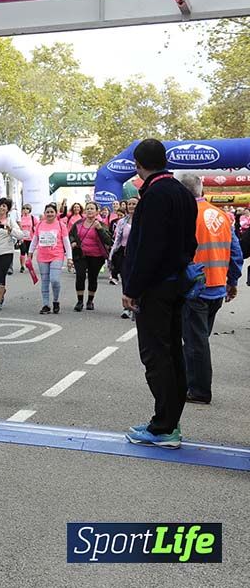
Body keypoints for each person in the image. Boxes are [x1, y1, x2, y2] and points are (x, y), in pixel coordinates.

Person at [122, 139, 198, 449]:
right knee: (173, 353)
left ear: (139, 166)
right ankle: (170, 420)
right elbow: (189, 243)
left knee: (156, 355)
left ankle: (163, 426)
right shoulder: (183, 193)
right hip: (177, 282)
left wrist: (132, 289)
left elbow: (146, 249)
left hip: (156, 287)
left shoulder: (154, 195)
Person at [178, 174, 243, 405]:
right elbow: (235, 251)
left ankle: (198, 390)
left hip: (195, 288)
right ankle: (190, 381)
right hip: (216, 286)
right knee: (199, 338)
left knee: (196, 343)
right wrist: (233, 281)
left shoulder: (185, 215)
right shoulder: (221, 215)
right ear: (201, 189)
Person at [68, 202, 113, 312]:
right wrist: (73, 242)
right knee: (80, 276)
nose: (89, 211)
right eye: (87, 208)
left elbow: (108, 240)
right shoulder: (79, 223)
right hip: (80, 254)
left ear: (97, 211)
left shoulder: (101, 224)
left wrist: (100, 229)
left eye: (92, 209)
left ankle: (90, 301)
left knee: (93, 278)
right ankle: (79, 301)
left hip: (96, 256)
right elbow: (71, 234)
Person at [29, 203, 71, 314]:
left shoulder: (61, 225)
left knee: (55, 280)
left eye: (52, 212)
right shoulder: (40, 225)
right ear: (44, 213)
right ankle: (46, 304)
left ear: (56, 213)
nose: (49, 214)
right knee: (45, 281)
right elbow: (34, 240)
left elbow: (66, 242)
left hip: (57, 255)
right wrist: (30, 252)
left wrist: (69, 258)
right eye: (47, 212)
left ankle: (56, 301)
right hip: (42, 256)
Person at [109, 198, 139, 306]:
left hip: (138, 254)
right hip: (124, 254)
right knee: (125, 279)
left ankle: (136, 303)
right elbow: (117, 239)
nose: (131, 206)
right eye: (129, 204)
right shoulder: (122, 222)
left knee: (137, 279)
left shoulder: (144, 220)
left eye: (134, 204)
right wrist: (111, 255)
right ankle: (126, 307)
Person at [17, 204, 36, 274]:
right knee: (22, 251)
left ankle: (29, 264)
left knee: (29, 252)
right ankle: (22, 266)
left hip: (30, 238)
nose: (25, 210)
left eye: (27, 209)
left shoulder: (33, 218)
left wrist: (34, 230)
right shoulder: (20, 218)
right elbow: (16, 225)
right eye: (24, 208)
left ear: (29, 210)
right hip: (22, 238)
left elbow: (37, 225)